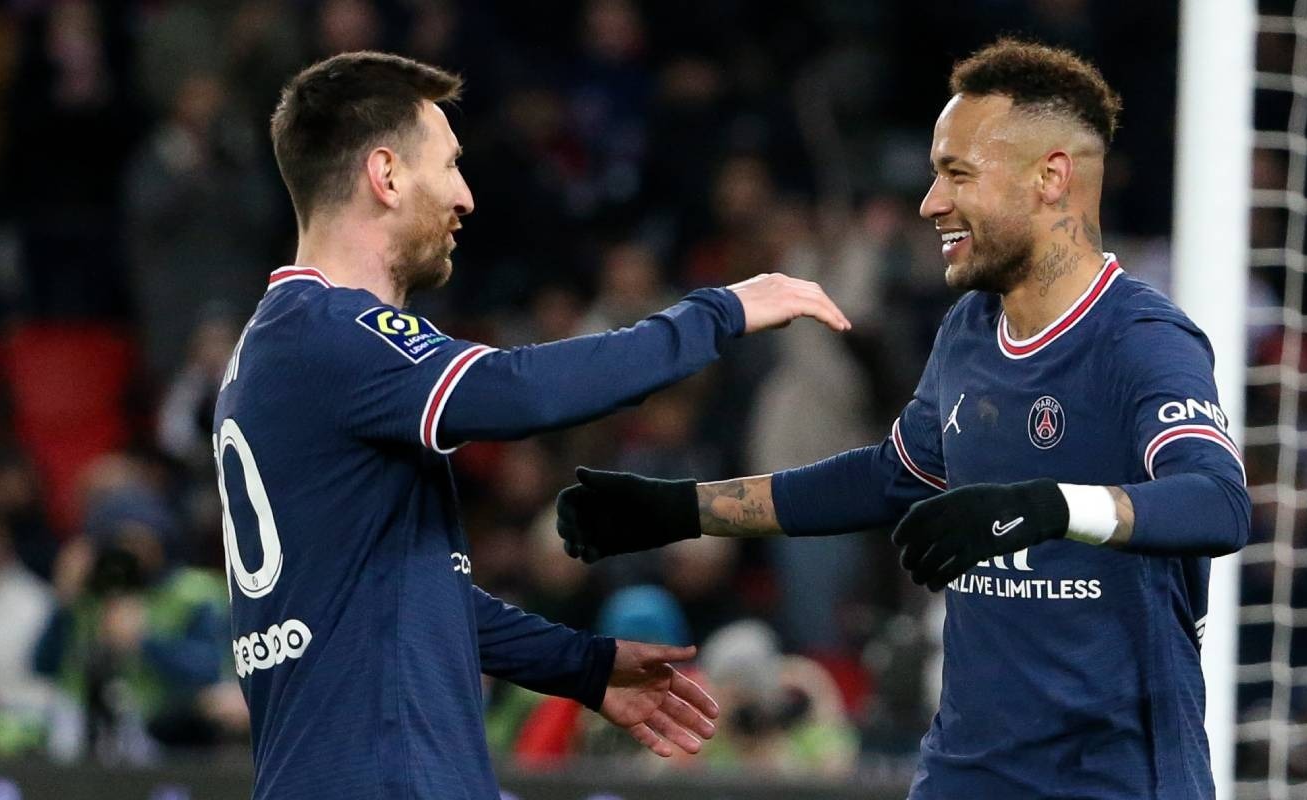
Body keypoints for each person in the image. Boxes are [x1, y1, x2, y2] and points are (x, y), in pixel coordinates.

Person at [555, 39, 1250, 799]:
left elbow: (1216, 501)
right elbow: (890, 476)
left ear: (1051, 178)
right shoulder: (968, 331)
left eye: (958, 173)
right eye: (933, 173)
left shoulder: (1141, 340)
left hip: (1115, 780)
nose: (930, 203)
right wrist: (676, 508)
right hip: (967, 774)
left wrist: (1048, 507)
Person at [216, 51, 850, 799]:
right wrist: (719, 311)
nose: (466, 196)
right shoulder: (336, 333)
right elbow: (519, 393)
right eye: (449, 164)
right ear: (386, 175)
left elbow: (406, 594)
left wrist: (580, 666)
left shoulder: (279, 346)